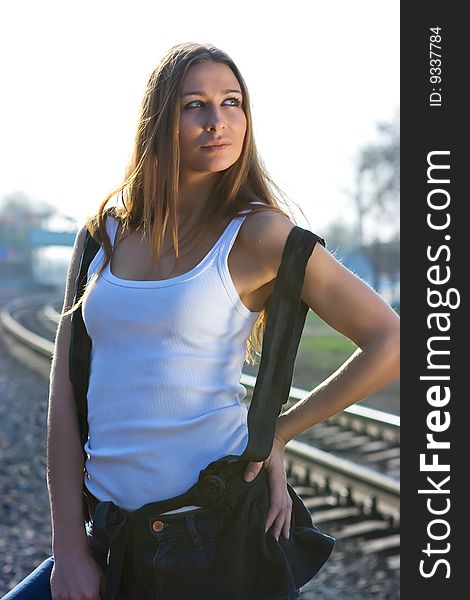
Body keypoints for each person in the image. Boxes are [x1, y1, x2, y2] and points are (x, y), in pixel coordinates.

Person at [3, 42, 400, 600]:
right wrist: (68, 548)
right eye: (196, 105)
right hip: (111, 538)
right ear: (160, 120)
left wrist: (277, 434)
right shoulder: (102, 235)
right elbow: (65, 392)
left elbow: (392, 340)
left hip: (211, 538)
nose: (218, 122)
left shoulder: (260, 235)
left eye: (231, 102)